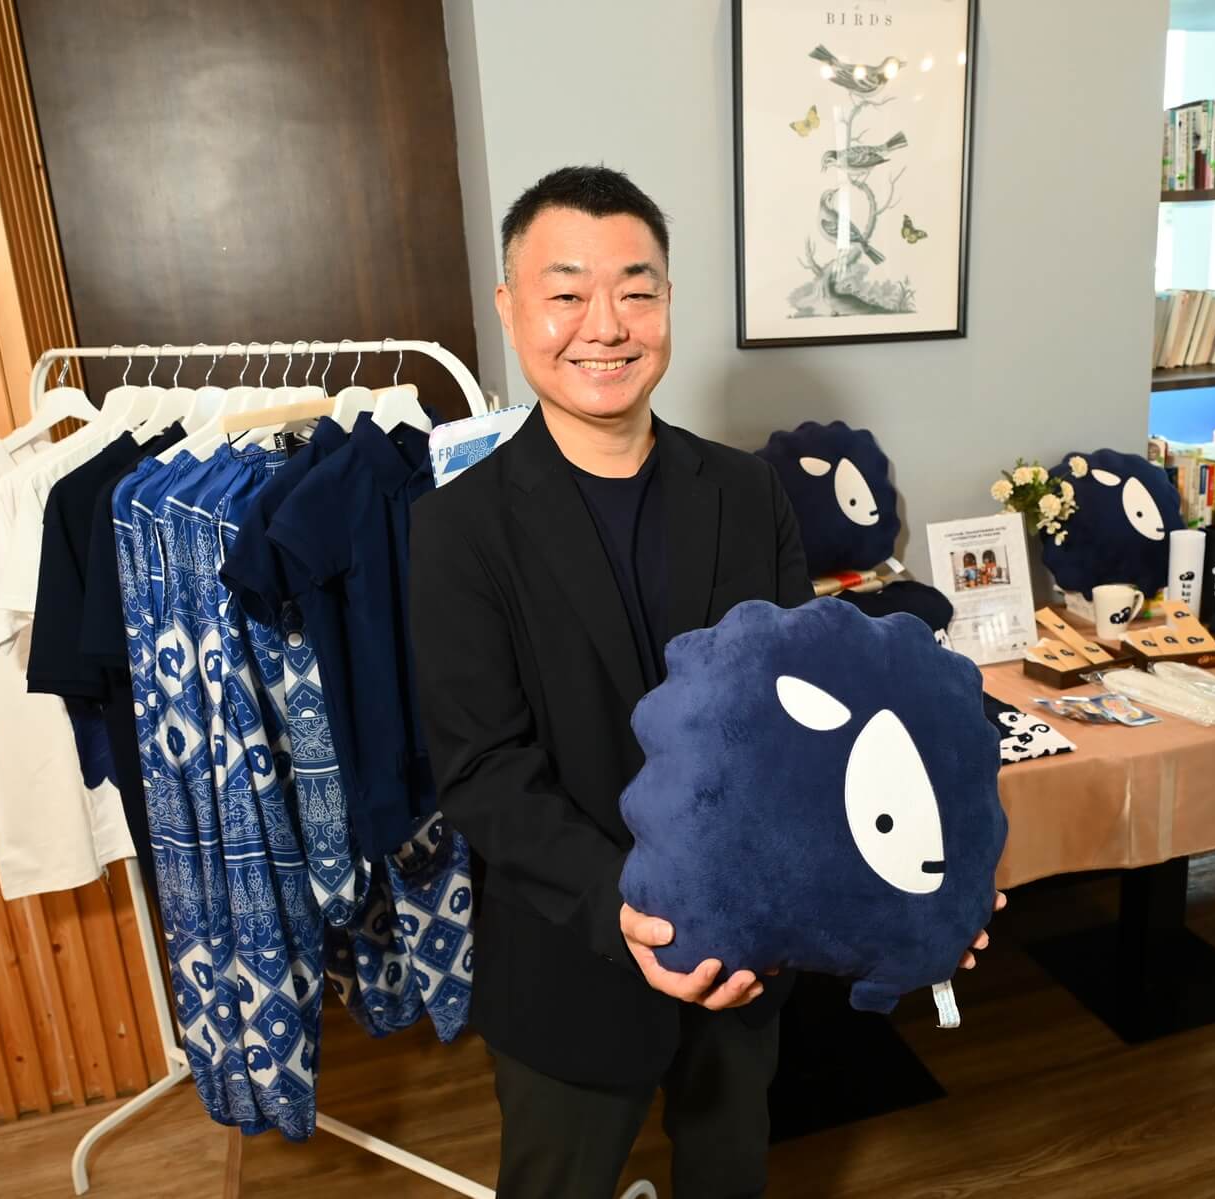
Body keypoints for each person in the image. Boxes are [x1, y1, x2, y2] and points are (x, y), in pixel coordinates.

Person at [409, 165, 1000, 1198]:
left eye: (635, 290)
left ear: (669, 302)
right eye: (566, 292)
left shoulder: (744, 490)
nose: (605, 325)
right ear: (509, 308)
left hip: (749, 955)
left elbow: (812, 726)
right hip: (572, 956)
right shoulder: (458, 527)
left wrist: (920, 878)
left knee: (729, 1173)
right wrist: (626, 910)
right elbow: (484, 771)